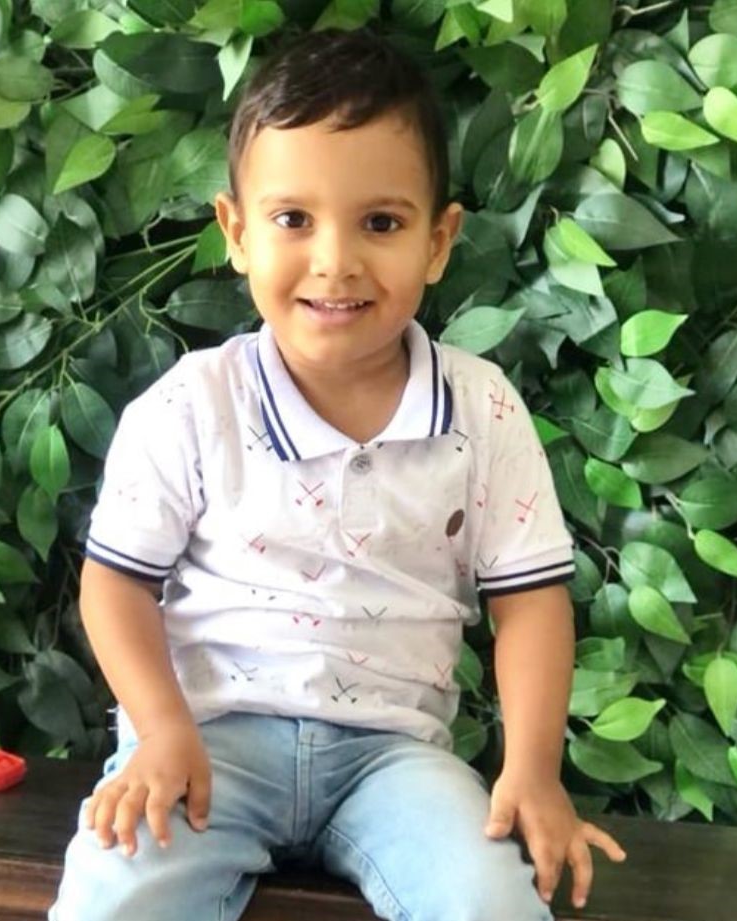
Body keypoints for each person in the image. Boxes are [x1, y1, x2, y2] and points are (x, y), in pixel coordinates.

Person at [49, 26, 626, 921]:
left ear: (438, 241)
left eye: (381, 223)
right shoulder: (194, 403)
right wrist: (159, 731)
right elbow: (115, 584)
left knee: (489, 901)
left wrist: (533, 769)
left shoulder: (481, 409)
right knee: (118, 890)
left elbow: (531, 604)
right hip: (206, 746)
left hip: (395, 762)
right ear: (236, 232)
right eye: (293, 219)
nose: (335, 260)